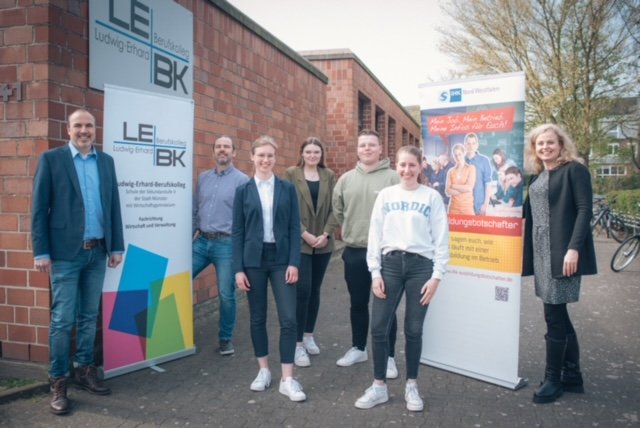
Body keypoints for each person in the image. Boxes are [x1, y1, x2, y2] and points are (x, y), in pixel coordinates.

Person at [31, 109, 125, 415]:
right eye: (78, 126)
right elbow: (38, 208)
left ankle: (85, 370)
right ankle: (58, 381)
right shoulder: (52, 160)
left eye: (89, 125)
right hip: (64, 254)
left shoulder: (106, 162)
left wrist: (116, 246)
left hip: (97, 252)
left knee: (88, 316)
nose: (84, 130)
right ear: (68, 129)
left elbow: (113, 206)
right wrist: (41, 252)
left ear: (95, 130)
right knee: (62, 320)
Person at [355, 145, 449, 412]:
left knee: (414, 329)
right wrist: (375, 272)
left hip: (422, 268)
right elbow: (375, 235)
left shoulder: (431, 197)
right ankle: (379, 387)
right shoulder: (385, 195)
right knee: (379, 327)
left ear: (420, 167)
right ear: (395, 166)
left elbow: (441, 239)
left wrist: (437, 276)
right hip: (390, 265)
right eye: (402, 165)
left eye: (412, 165)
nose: (407, 170)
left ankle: (411, 385)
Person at [522, 124, 597, 404]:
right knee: (559, 315)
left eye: (550, 143)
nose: (545, 148)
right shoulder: (539, 176)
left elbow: (584, 210)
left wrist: (573, 249)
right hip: (541, 252)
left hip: (561, 253)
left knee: (553, 316)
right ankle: (572, 374)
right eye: (540, 144)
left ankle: (554, 380)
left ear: (561, 144)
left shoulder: (574, 170)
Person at [232, 136, 305, 402]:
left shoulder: (287, 189)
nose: (265, 160)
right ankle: (263, 371)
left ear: (275, 158)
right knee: (257, 318)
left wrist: (294, 262)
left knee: (289, 318)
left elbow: (295, 227)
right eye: (261, 155)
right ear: (252, 157)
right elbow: (237, 232)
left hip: (281, 259)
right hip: (253, 261)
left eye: (270, 156)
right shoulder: (242, 191)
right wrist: (237, 269)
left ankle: (288, 378)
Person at [332, 129, 400, 379]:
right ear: (357, 150)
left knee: (386, 308)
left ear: (380, 149)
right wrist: (353, 229)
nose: (367, 149)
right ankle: (359, 348)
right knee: (358, 304)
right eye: (363, 145)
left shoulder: (394, 178)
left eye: (372, 145)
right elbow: (338, 211)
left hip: (386, 254)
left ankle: (389, 356)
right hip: (356, 251)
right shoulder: (346, 179)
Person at [284, 137, 339, 367]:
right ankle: (296, 345)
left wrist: (326, 234)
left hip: (323, 243)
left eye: (317, 151)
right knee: (302, 291)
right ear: (302, 153)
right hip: (301, 242)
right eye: (308, 151)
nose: (313, 155)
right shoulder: (290, 174)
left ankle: (308, 335)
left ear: (321, 154)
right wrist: (304, 234)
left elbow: (336, 207)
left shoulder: (329, 176)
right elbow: (286, 207)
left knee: (315, 290)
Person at [192, 136, 249, 356]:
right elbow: (197, 207)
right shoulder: (203, 178)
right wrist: (195, 230)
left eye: (226, 147)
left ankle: (225, 338)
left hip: (226, 244)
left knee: (226, 294)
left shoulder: (243, 181)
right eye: (218, 147)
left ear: (234, 153)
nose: (222, 150)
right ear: (213, 152)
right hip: (202, 241)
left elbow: (246, 216)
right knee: (175, 278)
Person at [463, 132, 493, 215]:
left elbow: (488, 184)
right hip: (464, 205)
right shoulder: (461, 161)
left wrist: (485, 205)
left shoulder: (484, 161)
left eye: (473, 143)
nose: (471, 146)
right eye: (468, 143)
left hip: (479, 205)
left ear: (477, 145)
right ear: (465, 145)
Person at [445, 143, 476, 215]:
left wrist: (453, 186)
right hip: (453, 208)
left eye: (459, 154)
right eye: (455, 155)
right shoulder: (451, 171)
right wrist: (463, 189)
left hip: (467, 208)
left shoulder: (471, 168)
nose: (458, 157)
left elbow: (469, 188)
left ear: (464, 153)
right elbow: (447, 191)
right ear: (453, 156)